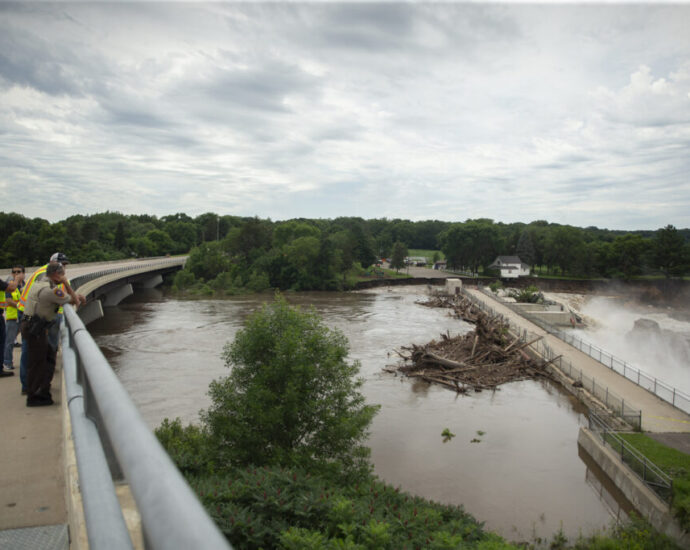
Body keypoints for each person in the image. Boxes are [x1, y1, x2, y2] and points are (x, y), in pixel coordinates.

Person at [21, 262, 85, 406]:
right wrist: (66, 284)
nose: (64, 276)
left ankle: (41, 392)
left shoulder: (39, 284)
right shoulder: (51, 291)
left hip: (30, 326)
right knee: (38, 362)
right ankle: (35, 397)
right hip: (35, 329)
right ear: (56, 275)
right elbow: (75, 301)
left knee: (46, 358)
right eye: (62, 274)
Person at [3, 265, 25, 372]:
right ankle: (7, 362)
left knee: (27, 338)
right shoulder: (10, 285)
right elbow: (8, 301)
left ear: (23, 274)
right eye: (14, 272)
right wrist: (20, 305)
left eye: (18, 272)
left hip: (25, 316)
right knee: (9, 341)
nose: (16, 274)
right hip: (13, 317)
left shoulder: (26, 285)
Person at [0, 274, 18, 378]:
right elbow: (11, 288)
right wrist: (16, 279)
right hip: (11, 317)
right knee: (3, 341)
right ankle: (3, 365)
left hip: (15, 317)